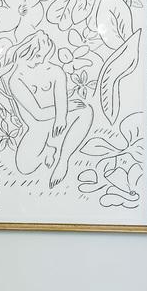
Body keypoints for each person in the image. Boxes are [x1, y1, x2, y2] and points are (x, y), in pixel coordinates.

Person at [9, 29, 92, 185]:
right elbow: (38, 114)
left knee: (86, 110)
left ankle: (63, 161)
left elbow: (61, 99)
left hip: (57, 121)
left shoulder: (55, 71)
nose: (40, 61)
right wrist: (64, 110)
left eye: (44, 56)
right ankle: (48, 151)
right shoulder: (15, 80)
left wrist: (62, 116)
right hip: (38, 127)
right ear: (26, 52)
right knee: (24, 166)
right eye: (38, 56)